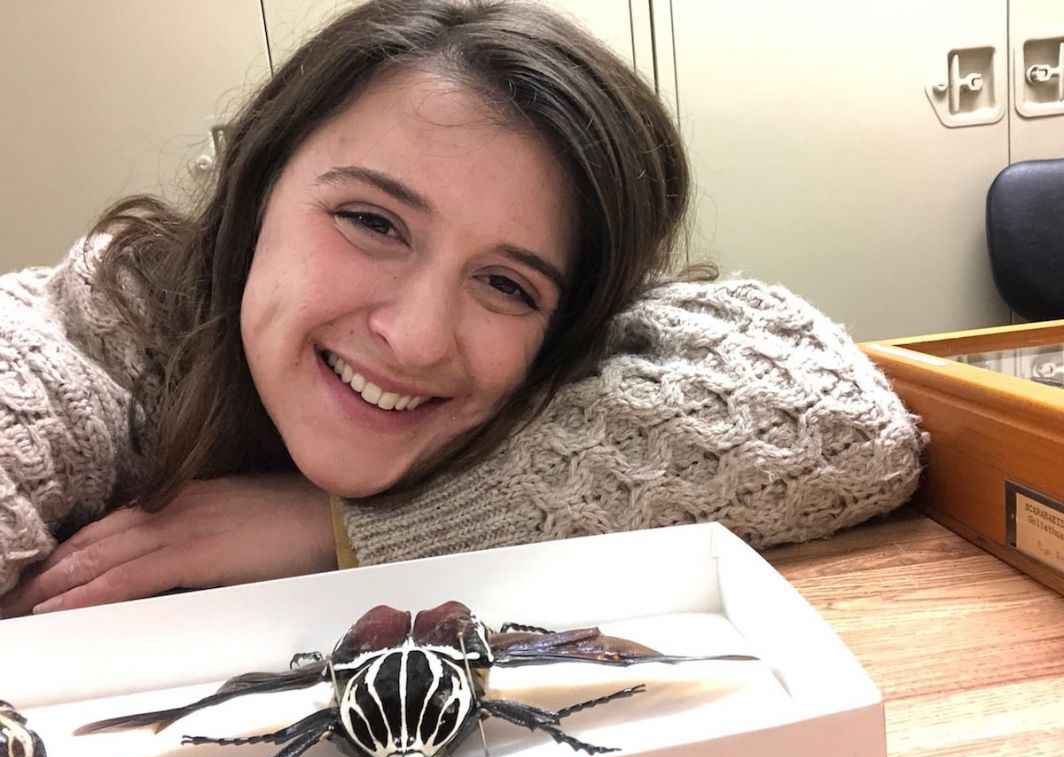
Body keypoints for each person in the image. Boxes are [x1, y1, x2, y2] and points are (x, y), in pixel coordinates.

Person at [0, 0, 922, 617]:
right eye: (372, 222)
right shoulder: (99, 330)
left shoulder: (578, 352)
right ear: (254, 191)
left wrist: (330, 525)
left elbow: (845, 423)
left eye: (508, 285)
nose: (416, 334)